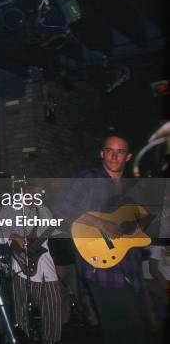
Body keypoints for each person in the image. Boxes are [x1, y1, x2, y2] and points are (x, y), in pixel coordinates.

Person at [59, 135, 149, 344]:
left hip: (131, 267)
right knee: (120, 331)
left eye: (120, 152)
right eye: (109, 150)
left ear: (128, 157)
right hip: (103, 266)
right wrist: (101, 224)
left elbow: (140, 226)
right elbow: (62, 208)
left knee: (137, 332)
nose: (114, 156)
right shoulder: (90, 178)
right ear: (102, 153)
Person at [0, 184, 62, 344]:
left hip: (46, 263)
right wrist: (15, 236)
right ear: (26, 191)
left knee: (54, 304)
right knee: (22, 309)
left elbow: (54, 230)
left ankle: (51, 341)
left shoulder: (44, 210)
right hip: (22, 264)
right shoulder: (10, 208)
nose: (38, 195)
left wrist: (65, 227)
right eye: (36, 191)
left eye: (41, 192)